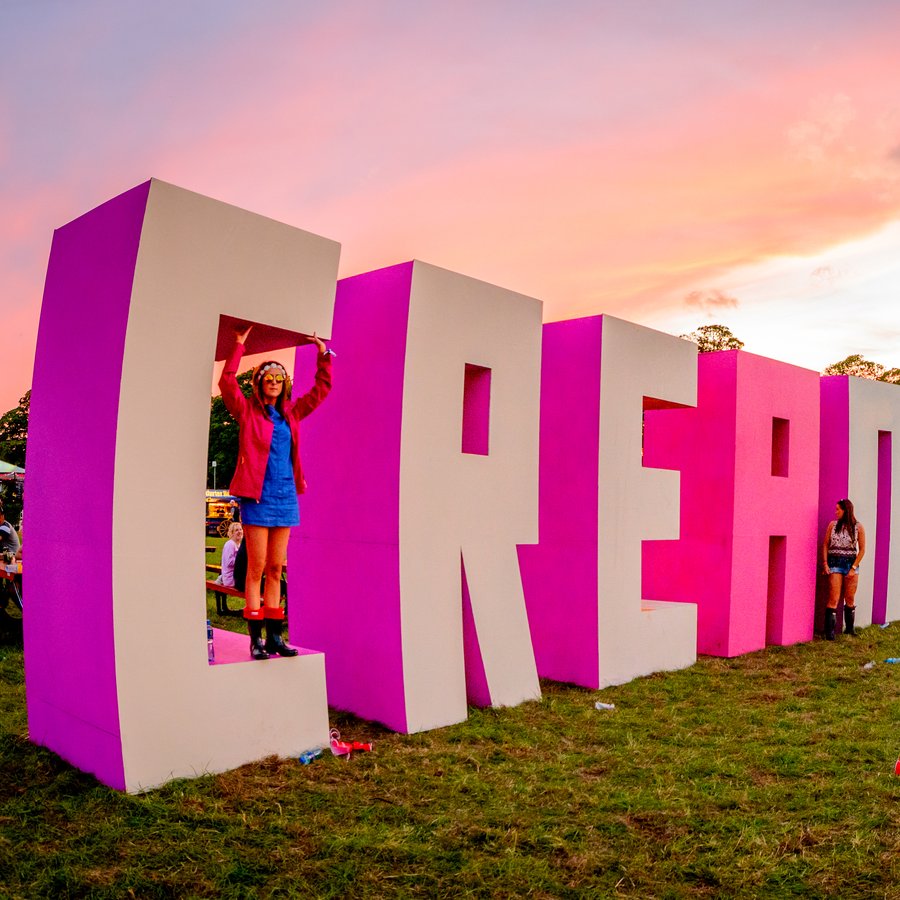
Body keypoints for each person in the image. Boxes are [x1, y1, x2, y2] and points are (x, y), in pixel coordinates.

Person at [219, 324, 333, 660]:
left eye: (278, 378)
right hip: (256, 498)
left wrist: (323, 356)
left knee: (275, 569)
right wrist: (238, 345)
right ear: (258, 383)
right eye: (268, 377)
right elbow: (227, 383)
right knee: (255, 569)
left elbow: (321, 390)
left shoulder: (292, 413)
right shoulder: (246, 412)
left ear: (284, 385)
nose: (273, 381)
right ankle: (255, 640)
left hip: (285, 498)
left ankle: (275, 638)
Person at [822, 498, 866, 640]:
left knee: (850, 597)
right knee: (833, 597)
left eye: (838, 509)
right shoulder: (832, 525)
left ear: (846, 510)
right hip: (835, 563)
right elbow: (825, 545)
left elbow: (862, 549)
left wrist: (853, 567)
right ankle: (830, 633)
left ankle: (849, 629)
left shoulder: (858, 527)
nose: (836, 512)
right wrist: (825, 563)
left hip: (850, 565)